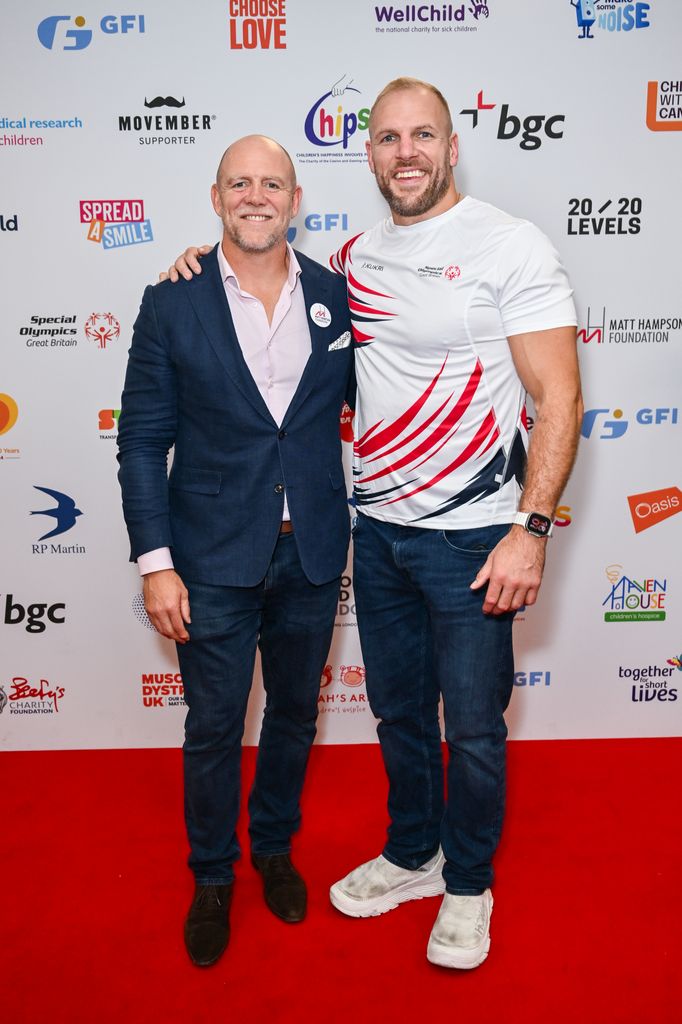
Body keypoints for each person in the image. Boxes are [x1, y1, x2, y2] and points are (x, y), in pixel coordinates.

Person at [165, 78, 583, 971]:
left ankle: (468, 884)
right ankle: (414, 852)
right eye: (389, 138)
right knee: (397, 712)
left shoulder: (509, 244)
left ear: (451, 144)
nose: (406, 153)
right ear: (368, 155)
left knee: (470, 724)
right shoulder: (352, 263)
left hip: (477, 537)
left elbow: (560, 397)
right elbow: (257, 288)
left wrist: (531, 528)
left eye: (422, 135)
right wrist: (195, 265)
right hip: (380, 533)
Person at [117, 135, 353, 968]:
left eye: (272, 184)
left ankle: (274, 849)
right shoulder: (171, 301)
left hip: (313, 553)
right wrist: (156, 563)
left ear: (295, 199)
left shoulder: (335, 294)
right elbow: (142, 442)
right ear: (216, 198)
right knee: (214, 727)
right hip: (210, 558)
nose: (257, 197)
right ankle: (213, 875)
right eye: (240, 184)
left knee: (293, 714)